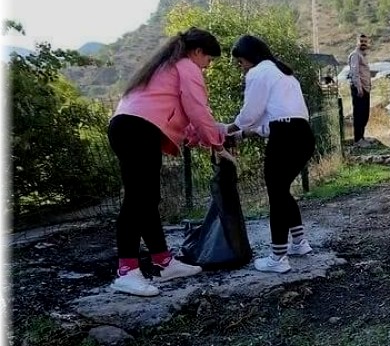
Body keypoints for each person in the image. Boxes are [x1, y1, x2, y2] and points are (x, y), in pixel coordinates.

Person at [106, 28, 225, 297]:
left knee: (148, 198)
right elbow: (198, 108)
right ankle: (127, 271)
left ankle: (163, 262)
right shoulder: (186, 66)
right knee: (137, 200)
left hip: (129, 127)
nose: (207, 67)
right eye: (209, 60)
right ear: (197, 52)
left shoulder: (165, 66)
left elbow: (180, 112)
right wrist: (217, 145)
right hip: (137, 130)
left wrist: (198, 136)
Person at [225, 35, 316, 274]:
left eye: (240, 62)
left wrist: (229, 129)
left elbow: (250, 115)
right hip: (302, 135)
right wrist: (242, 134)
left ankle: (278, 257)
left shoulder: (257, 73)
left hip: (284, 138)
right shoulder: (283, 73)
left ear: (248, 58)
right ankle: (299, 243)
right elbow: (268, 123)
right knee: (282, 190)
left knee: (276, 195)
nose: (241, 68)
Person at [348, 34, 372, 146]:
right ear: (357, 42)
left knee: (365, 114)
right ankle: (358, 140)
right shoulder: (355, 55)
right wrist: (359, 88)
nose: (363, 43)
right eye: (361, 41)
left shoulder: (364, 56)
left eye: (365, 41)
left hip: (365, 89)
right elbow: (355, 72)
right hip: (359, 89)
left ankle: (362, 137)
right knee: (359, 114)